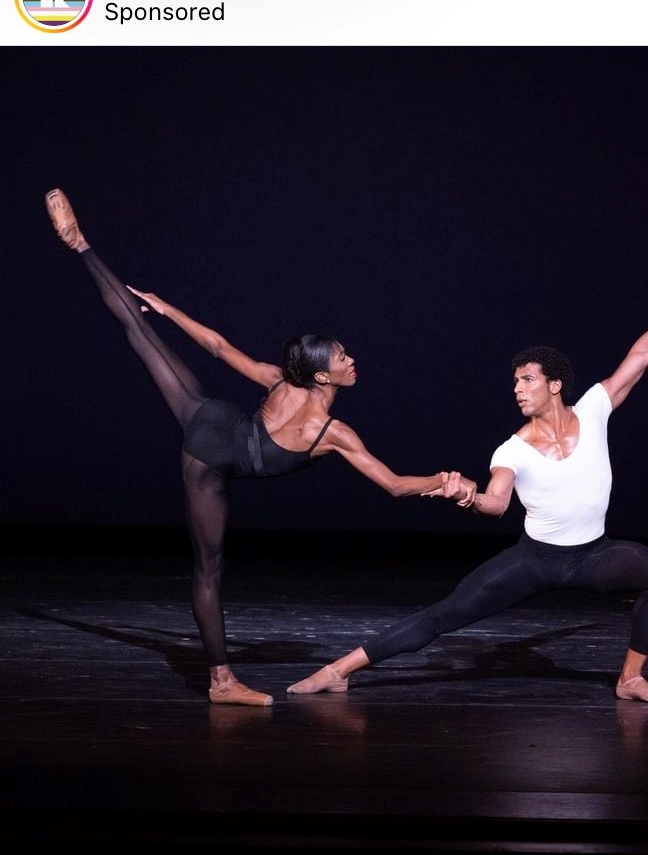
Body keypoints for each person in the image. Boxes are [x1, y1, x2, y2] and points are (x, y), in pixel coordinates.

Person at [44, 190, 475, 707]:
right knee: (209, 570)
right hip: (210, 459)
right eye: (342, 358)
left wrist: (167, 309)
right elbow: (395, 486)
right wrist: (446, 483)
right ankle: (221, 683)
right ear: (323, 376)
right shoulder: (332, 432)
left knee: (139, 330)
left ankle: (81, 245)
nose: (351, 360)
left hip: (210, 417)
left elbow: (217, 347)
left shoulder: (281, 381)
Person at [287, 268, 648, 704]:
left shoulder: (594, 409)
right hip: (535, 560)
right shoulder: (512, 450)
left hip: (593, 556)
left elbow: (643, 354)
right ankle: (337, 671)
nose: (518, 389)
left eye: (528, 380)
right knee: (444, 615)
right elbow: (496, 504)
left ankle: (630, 678)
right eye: (515, 382)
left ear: (555, 385)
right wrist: (466, 496)